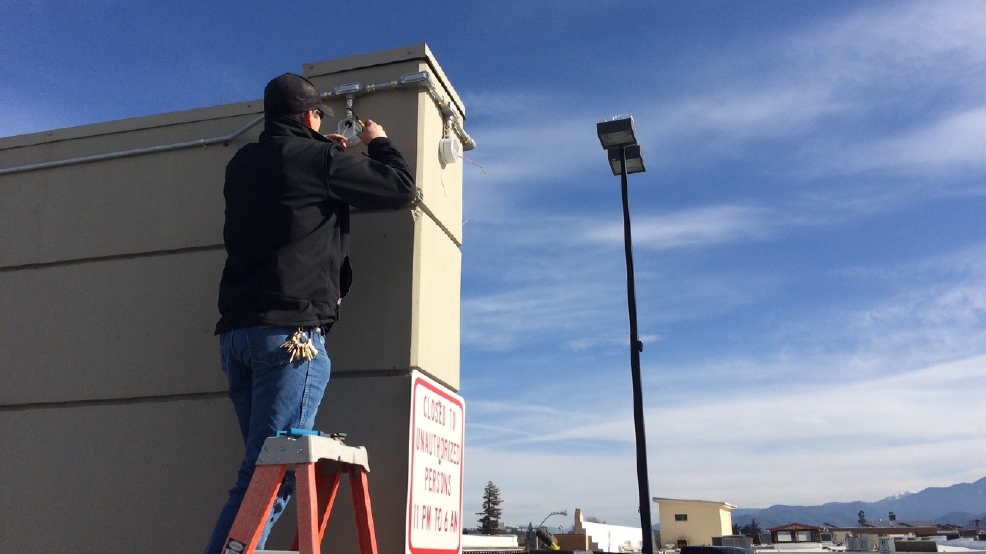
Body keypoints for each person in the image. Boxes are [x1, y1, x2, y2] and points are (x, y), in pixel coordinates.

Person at [205, 72, 417, 554]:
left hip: (237, 336)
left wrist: (324, 153)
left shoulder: (241, 164)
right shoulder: (321, 159)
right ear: (309, 115)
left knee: (256, 473)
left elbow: (291, 198)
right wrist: (376, 143)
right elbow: (399, 188)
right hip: (290, 336)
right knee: (269, 480)